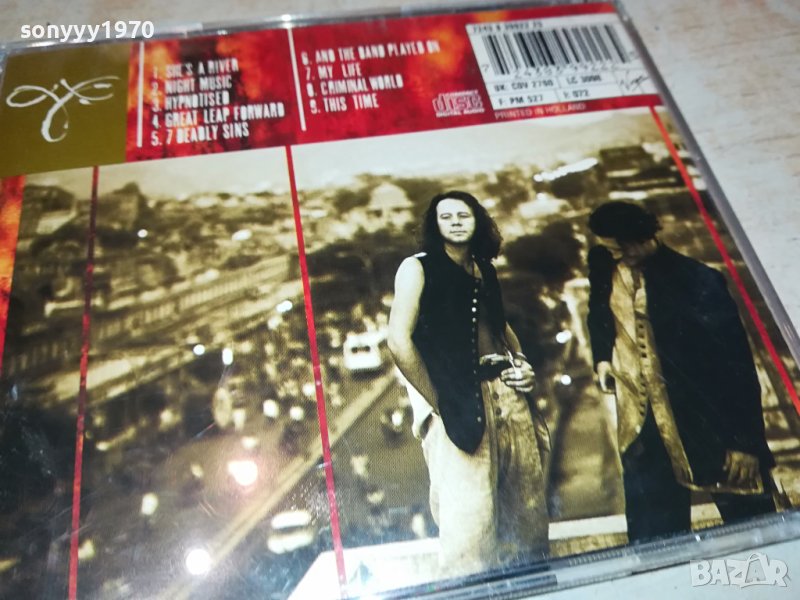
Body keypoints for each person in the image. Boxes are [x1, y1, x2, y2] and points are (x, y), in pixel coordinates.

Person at [586, 201, 776, 542]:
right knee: (654, 544)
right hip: (642, 432)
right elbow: (597, 312)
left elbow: (737, 366)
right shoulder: (604, 265)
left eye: (622, 249)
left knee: (755, 531)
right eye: (611, 251)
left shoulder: (698, 280)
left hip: (708, 428)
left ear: (641, 237)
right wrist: (602, 358)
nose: (617, 258)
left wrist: (746, 444)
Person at [387, 190, 549, 578]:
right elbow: (398, 341)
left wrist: (523, 365)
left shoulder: (484, 269)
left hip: (507, 395)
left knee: (527, 516)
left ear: (478, 221)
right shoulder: (416, 267)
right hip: (459, 404)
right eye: (446, 217)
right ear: (435, 225)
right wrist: (438, 402)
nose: (456, 222)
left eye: (464, 215)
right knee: (468, 528)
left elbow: (500, 328)